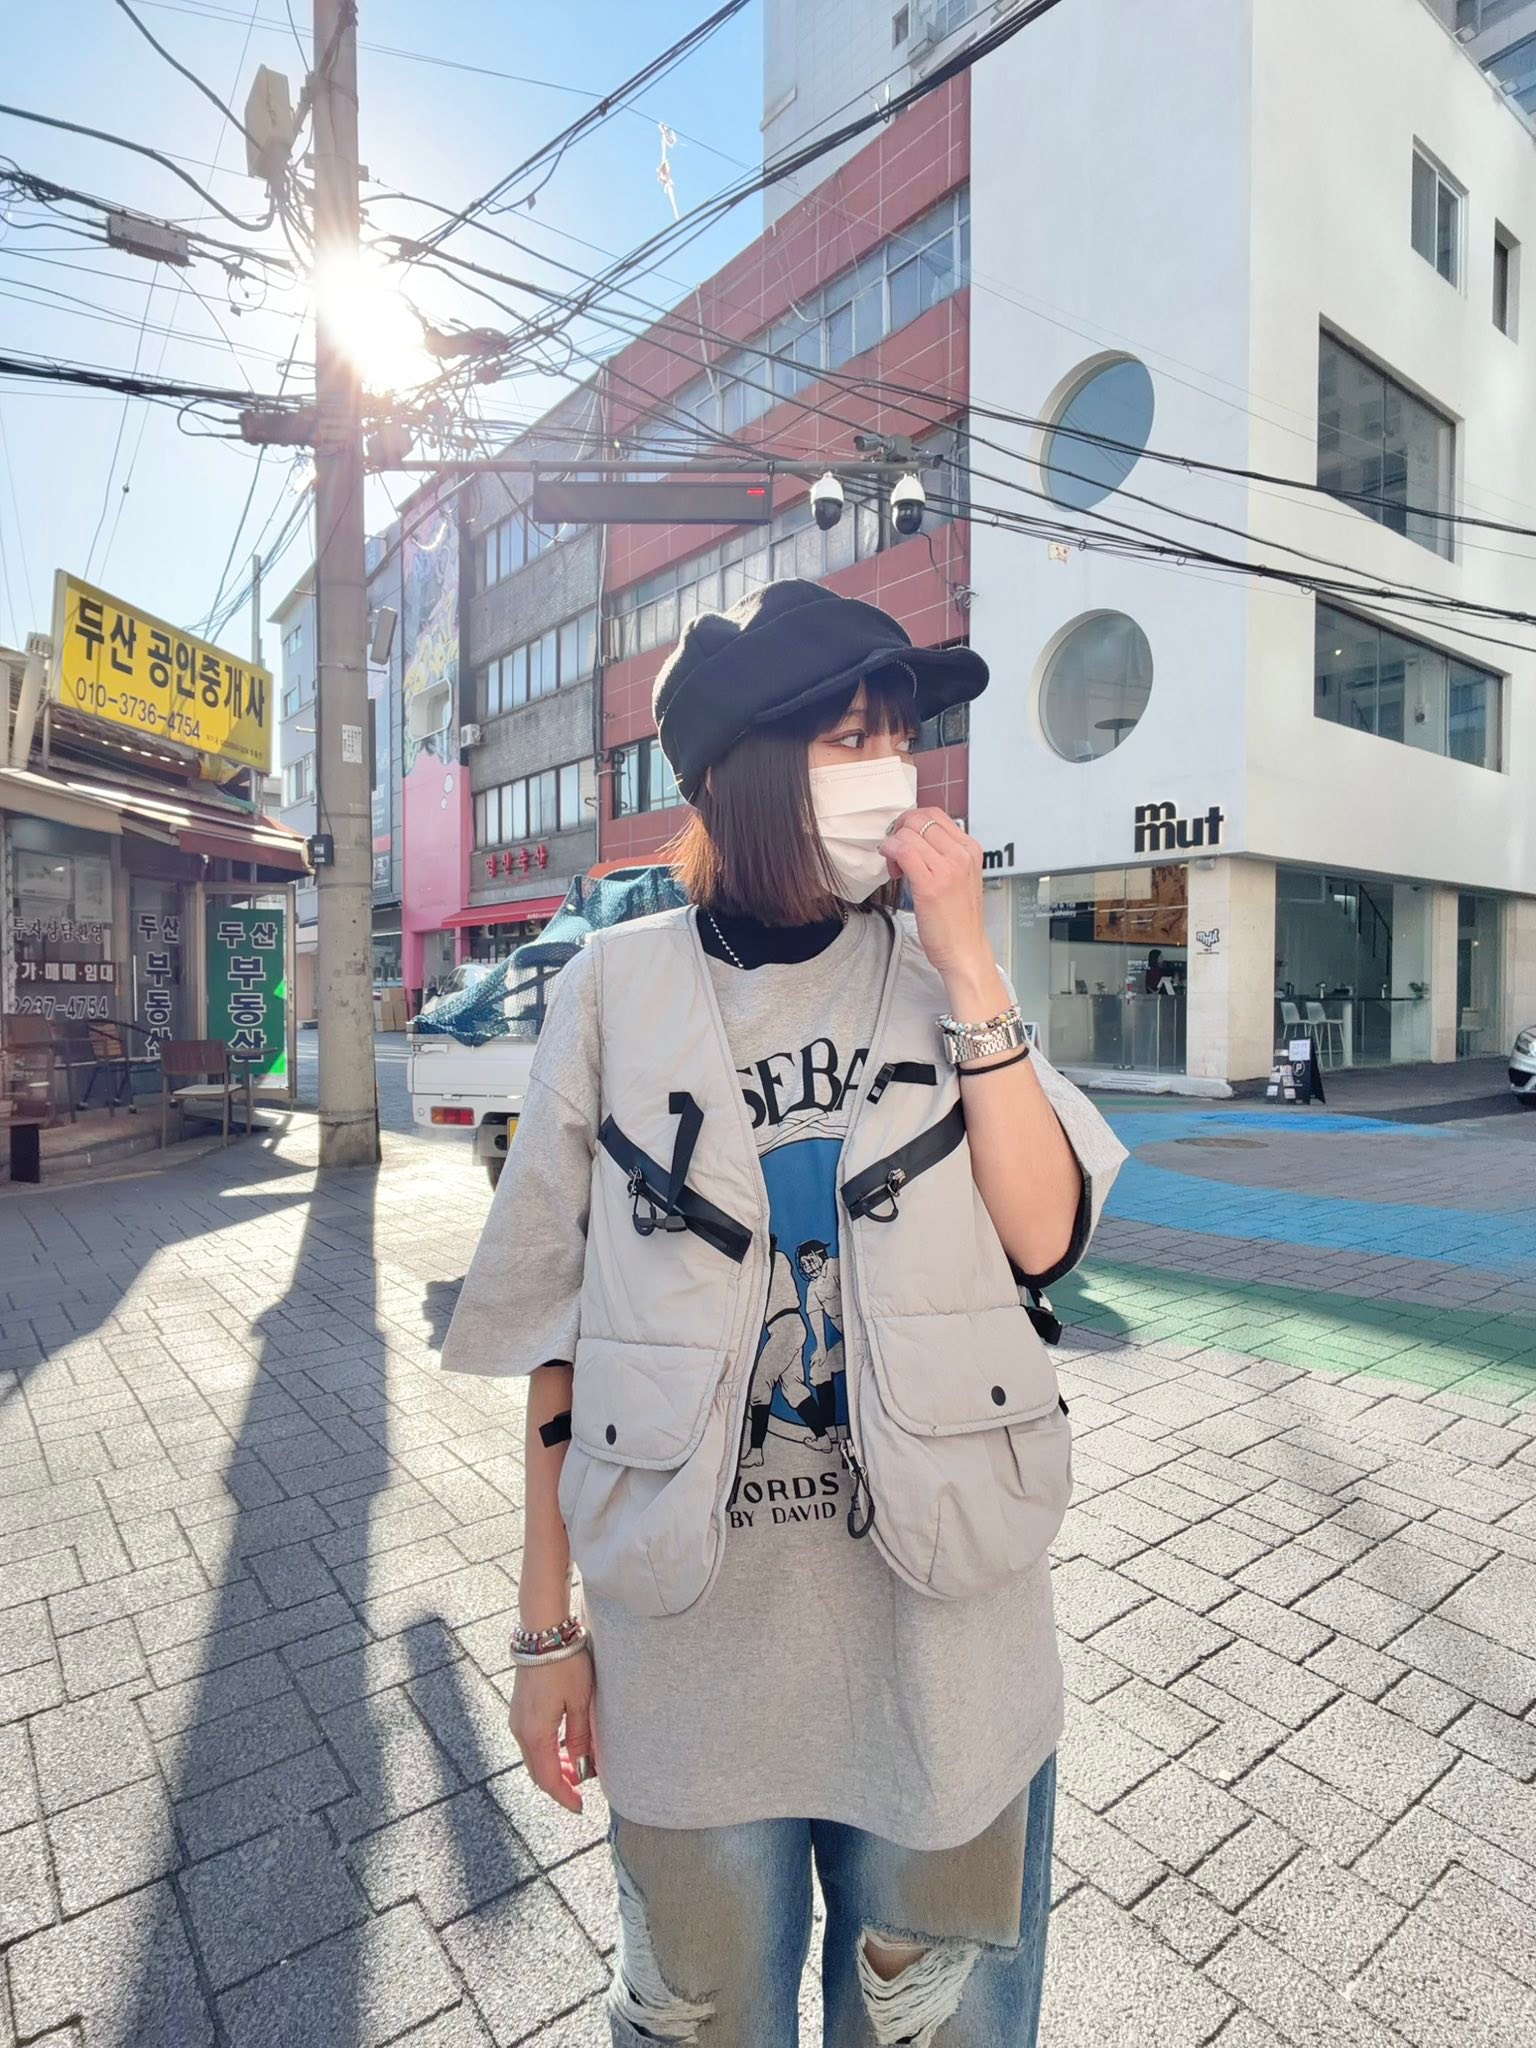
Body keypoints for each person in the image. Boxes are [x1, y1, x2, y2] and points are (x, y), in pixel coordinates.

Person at [444, 579, 1126, 2047]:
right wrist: (545, 1634)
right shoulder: (613, 993)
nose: (892, 772)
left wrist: (969, 959)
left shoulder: (944, 974)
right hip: (692, 1672)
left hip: (945, 1667)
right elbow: (562, 1334)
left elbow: (1046, 1232)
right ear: (743, 772)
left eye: (901, 739)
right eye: (849, 739)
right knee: (701, 2022)